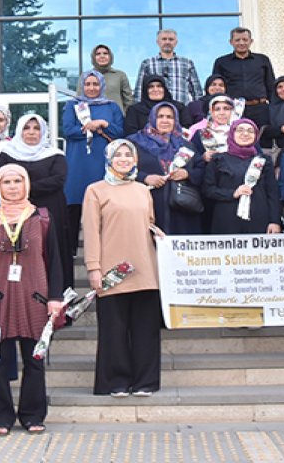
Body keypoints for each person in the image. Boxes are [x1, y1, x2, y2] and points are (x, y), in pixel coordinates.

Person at [0, 165, 64, 435]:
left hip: (35, 296)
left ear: (27, 184)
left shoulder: (42, 216)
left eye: (17, 181)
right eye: (7, 181)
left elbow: (55, 259)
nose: (12, 186)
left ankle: (33, 414)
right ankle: (0, 416)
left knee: (35, 359)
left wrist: (55, 297)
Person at [82, 140, 164, 397]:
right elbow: (92, 231)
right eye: (118, 154)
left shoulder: (143, 190)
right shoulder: (95, 190)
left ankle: (145, 382)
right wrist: (94, 267)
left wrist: (157, 233)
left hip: (145, 268)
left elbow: (148, 221)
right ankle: (115, 382)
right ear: (108, 159)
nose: (124, 159)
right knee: (114, 331)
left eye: (129, 154)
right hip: (112, 271)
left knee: (145, 330)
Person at [0, 114, 72, 289]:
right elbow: (2, 179)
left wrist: (22, 187)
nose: (31, 132)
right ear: (19, 130)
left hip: (51, 212)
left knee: (53, 255)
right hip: (14, 213)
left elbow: (58, 180)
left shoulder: (55, 155)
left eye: (36, 128)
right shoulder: (8, 154)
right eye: (27, 128)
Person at [61, 70, 125, 258]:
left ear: (102, 86)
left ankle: (108, 251)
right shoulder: (72, 105)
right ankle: (70, 252)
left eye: (95, 84)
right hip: (79, 162)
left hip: (102, 162)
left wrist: (103, 123)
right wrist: (90, 127)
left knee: (105, 208)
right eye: (87, 84)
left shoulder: (112, 107)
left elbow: (119, 132)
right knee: (75, 203)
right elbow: (69, 130)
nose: (91, 88)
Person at [131, 102, 203, 236]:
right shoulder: (135, 143)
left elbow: (202, 170)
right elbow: (122, 170)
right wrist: (144, 177)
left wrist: (187, 173)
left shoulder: (187, 145)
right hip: (149, 206)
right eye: (160, 116)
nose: (165, 120)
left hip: (181, 211)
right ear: (152, 118)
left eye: (169, 117)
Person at [203, 119, 281, 235]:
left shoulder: (264, 160)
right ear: (232, 133)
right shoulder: (218, 159)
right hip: (226, 220)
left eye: (250, 131)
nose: (245, 134)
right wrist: (232, 193)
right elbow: (207, 190)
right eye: (240, 130)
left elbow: (272, 193)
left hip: (258, 219)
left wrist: (275, 221)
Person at [187, 95, 236, 234]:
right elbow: (191, 159)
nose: (222, 112)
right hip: (209, 188)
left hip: (236, 186)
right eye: (217, 109)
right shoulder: (200, 134)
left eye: (226, 108)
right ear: (211, 112)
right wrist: (202, 157)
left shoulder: (242, 131)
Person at [211, 27, 276, 130]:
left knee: (263, 141)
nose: (241, 43)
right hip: (233, 109)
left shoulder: (262, 60)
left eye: (245, 40)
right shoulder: (221, 62)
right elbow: (217, 86)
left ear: (251, 41)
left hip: (260, 109)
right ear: (231, 42)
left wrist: (274, 107)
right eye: (237, 40)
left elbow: (271, 85)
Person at [134, 28, 203, 105]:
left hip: (182, 111)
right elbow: (139, 91)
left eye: (171, 39)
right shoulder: (147, 63)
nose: (167, 42)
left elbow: (197, 92)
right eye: (164, 39)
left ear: (176, 42)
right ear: (158, 42)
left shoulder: (187, 63)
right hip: (155, 111)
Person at [124, 74, 190, 137]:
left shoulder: (179, 108)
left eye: (159, 86)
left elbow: (186, 130)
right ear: (145, 90)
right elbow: (131, 134)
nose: (155, 90)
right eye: (151, 87)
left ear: (164, 89)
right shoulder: (134, 110)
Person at [90, 44, 134, 112]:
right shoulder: (86, 76)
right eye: (98, 54)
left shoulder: (120, 75)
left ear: (110, 56)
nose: (102, 56)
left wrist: (125, 116)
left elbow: (129, 101)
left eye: (105, 53)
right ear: (93, 57)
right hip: (92, 120)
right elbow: (79, 101)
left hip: (116, 120)